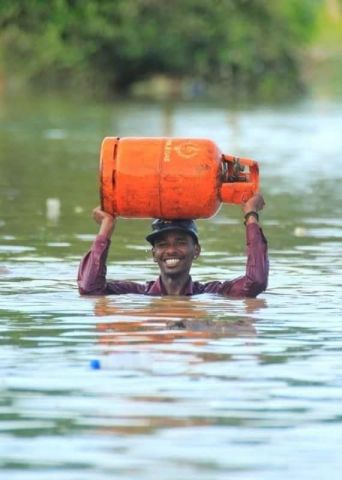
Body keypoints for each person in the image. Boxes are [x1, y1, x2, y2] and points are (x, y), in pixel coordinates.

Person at [77, 193, 268, 297]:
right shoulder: (137, 293)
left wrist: (251, 215)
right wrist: (107, 225)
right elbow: (89, 288)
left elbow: (255, 282)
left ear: (197, 250)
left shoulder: (213, 293)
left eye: (181, 242)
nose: (170, 250)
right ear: (154, 254)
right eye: (162, 244)